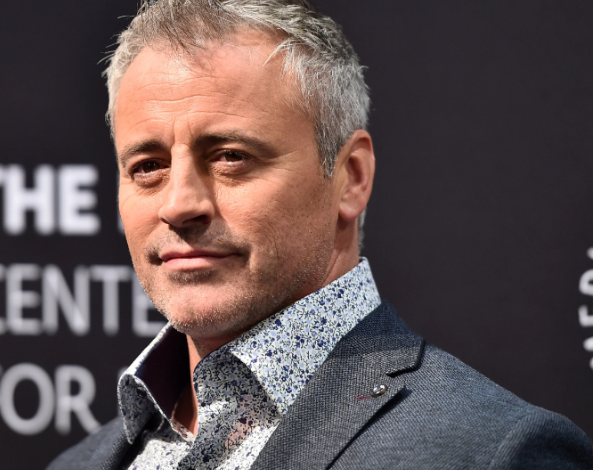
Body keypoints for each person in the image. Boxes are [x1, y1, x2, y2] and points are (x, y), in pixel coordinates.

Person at [48, 0, 593, 468]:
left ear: (351, 177)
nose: (179, 205)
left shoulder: (493, 452)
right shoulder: (77, 463)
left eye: (231, 157)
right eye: (147, 167)